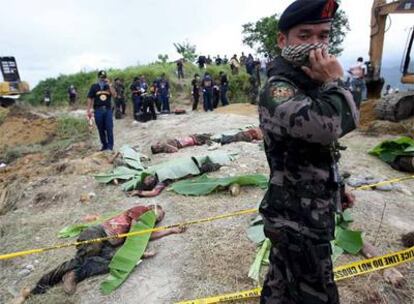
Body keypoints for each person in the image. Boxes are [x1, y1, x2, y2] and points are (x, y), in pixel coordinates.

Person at [258, 1, 360, 303]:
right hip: (297, 219)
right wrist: (335, 80)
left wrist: (337, 187)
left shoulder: (309, 82)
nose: (316, 46)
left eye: (324, 36)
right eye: (305, 36)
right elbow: (333, 125)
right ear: (282, 40)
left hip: (305, 210)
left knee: (281, 285)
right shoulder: (280, 89)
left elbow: (316, 150)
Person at [12, 205, 186, 304]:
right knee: (84, 256)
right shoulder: (140, 211)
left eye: (159, 220)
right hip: (98, 233)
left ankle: (73, 275)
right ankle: (36, 289)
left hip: (108, 246)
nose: (157, 219)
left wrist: (171, 230)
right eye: (157, 215)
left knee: (110, 262)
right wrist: (139, 251)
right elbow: (136, 231)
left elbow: (146, 234)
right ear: (152, 209)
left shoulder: (145, 225)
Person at [87, 71, 116, 151]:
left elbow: (114, 95)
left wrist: (110, 85)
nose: (102, 79)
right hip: (98, 110)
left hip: (107, 110)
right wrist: (88, 110)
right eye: (101, 77)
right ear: (98, 78)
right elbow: (90, 98)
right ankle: (104, 145)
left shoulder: (108, 86)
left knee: (109, 128)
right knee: (101, 128)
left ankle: (110, 147)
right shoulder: (94, 86)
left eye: (104, 77)